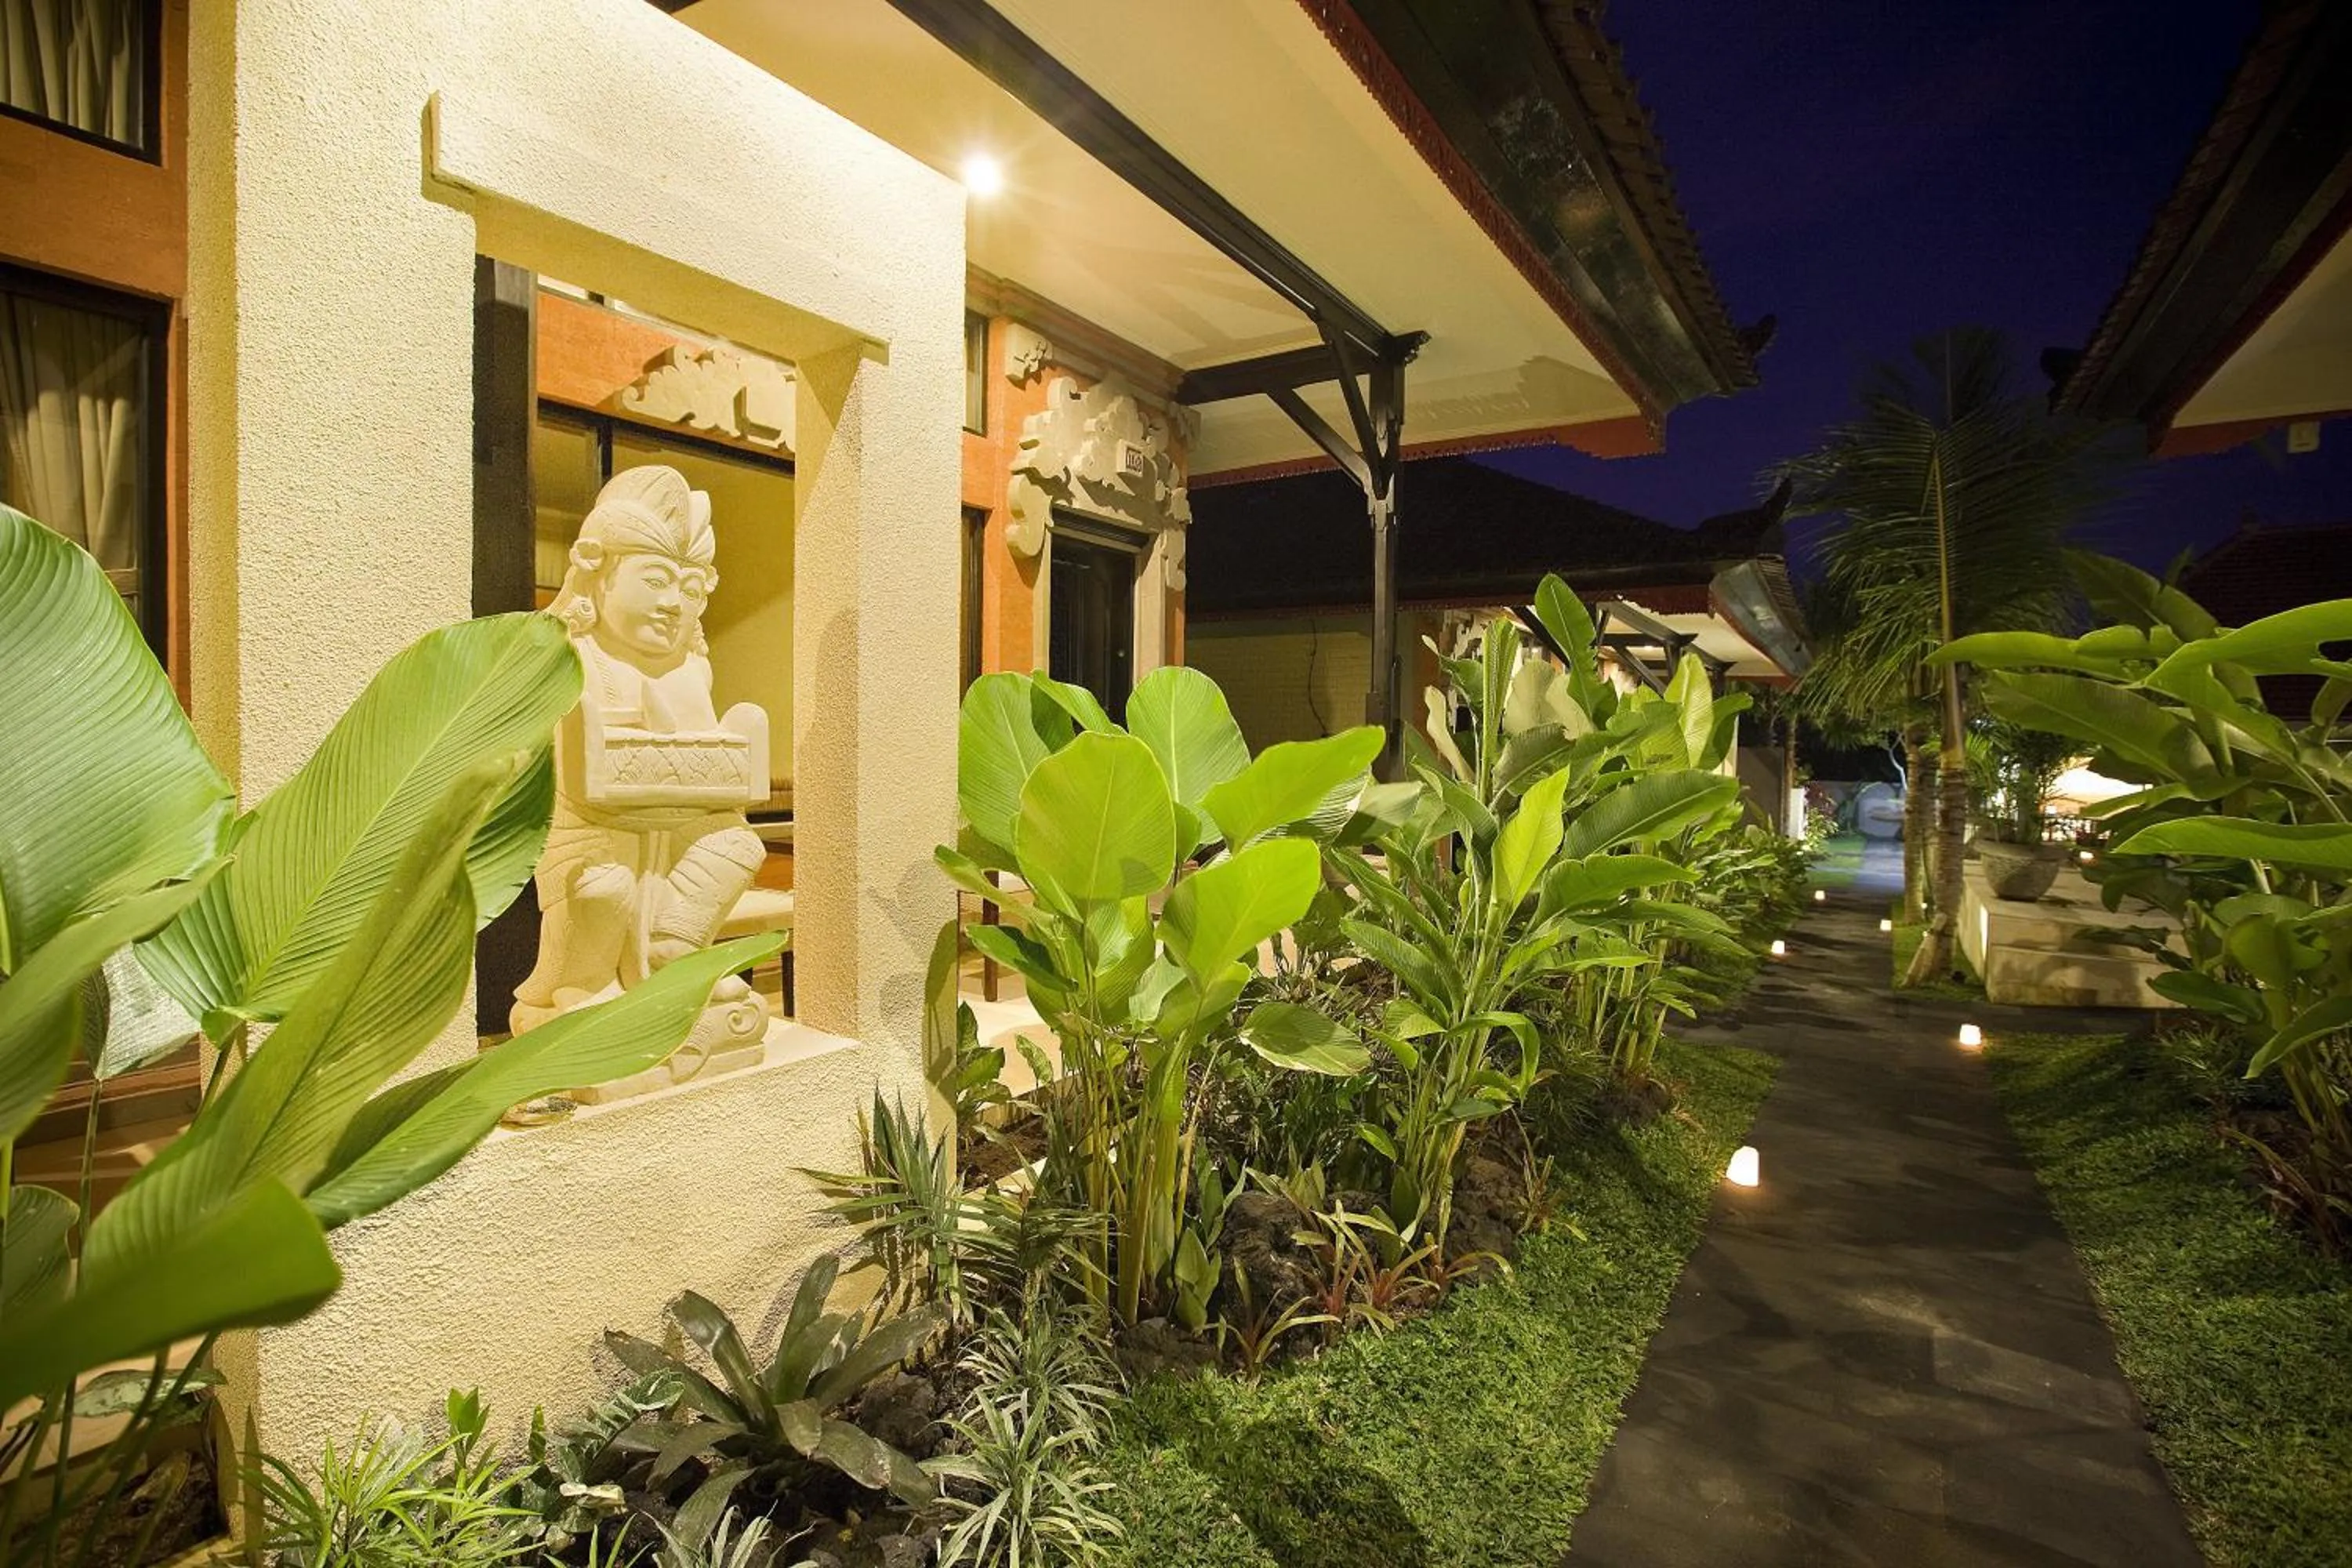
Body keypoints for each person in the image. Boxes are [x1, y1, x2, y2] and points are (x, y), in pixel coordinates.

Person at [510, 465, 770, 1044]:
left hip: (677, 828)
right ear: (598, 575)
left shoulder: (689, 670)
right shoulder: (570, 660)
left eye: (692, 588)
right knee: (604, 888)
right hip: (589, 831)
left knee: (736, 845)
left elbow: (711, 767)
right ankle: (582, 985)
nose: (674, 604)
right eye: (655, 580)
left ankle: (678, 956)